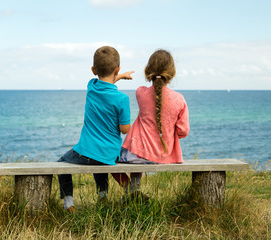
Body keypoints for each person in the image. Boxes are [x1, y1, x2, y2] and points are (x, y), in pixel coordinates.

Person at [58, 46, 134, 212]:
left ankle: (69, 204)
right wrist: (120, 76)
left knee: (61, 164)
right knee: (101, 159)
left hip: (85, 153)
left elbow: (105, 83)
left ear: (93, 70)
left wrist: (118, 77)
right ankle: (102, 197)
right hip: (110, 154)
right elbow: (124, 129)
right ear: (118, 68)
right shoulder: (122, 99)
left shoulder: (91, 87)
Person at [112, 49, 190, 201]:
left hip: (136, 155)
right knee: (138, 153)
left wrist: (118, 77)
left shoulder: (140, 92)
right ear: (172, 73)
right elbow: (183, 131)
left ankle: (131, 189)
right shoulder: (179, 99)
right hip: (165, 156)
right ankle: (133, 191)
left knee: (106, 158)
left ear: (148, 71)